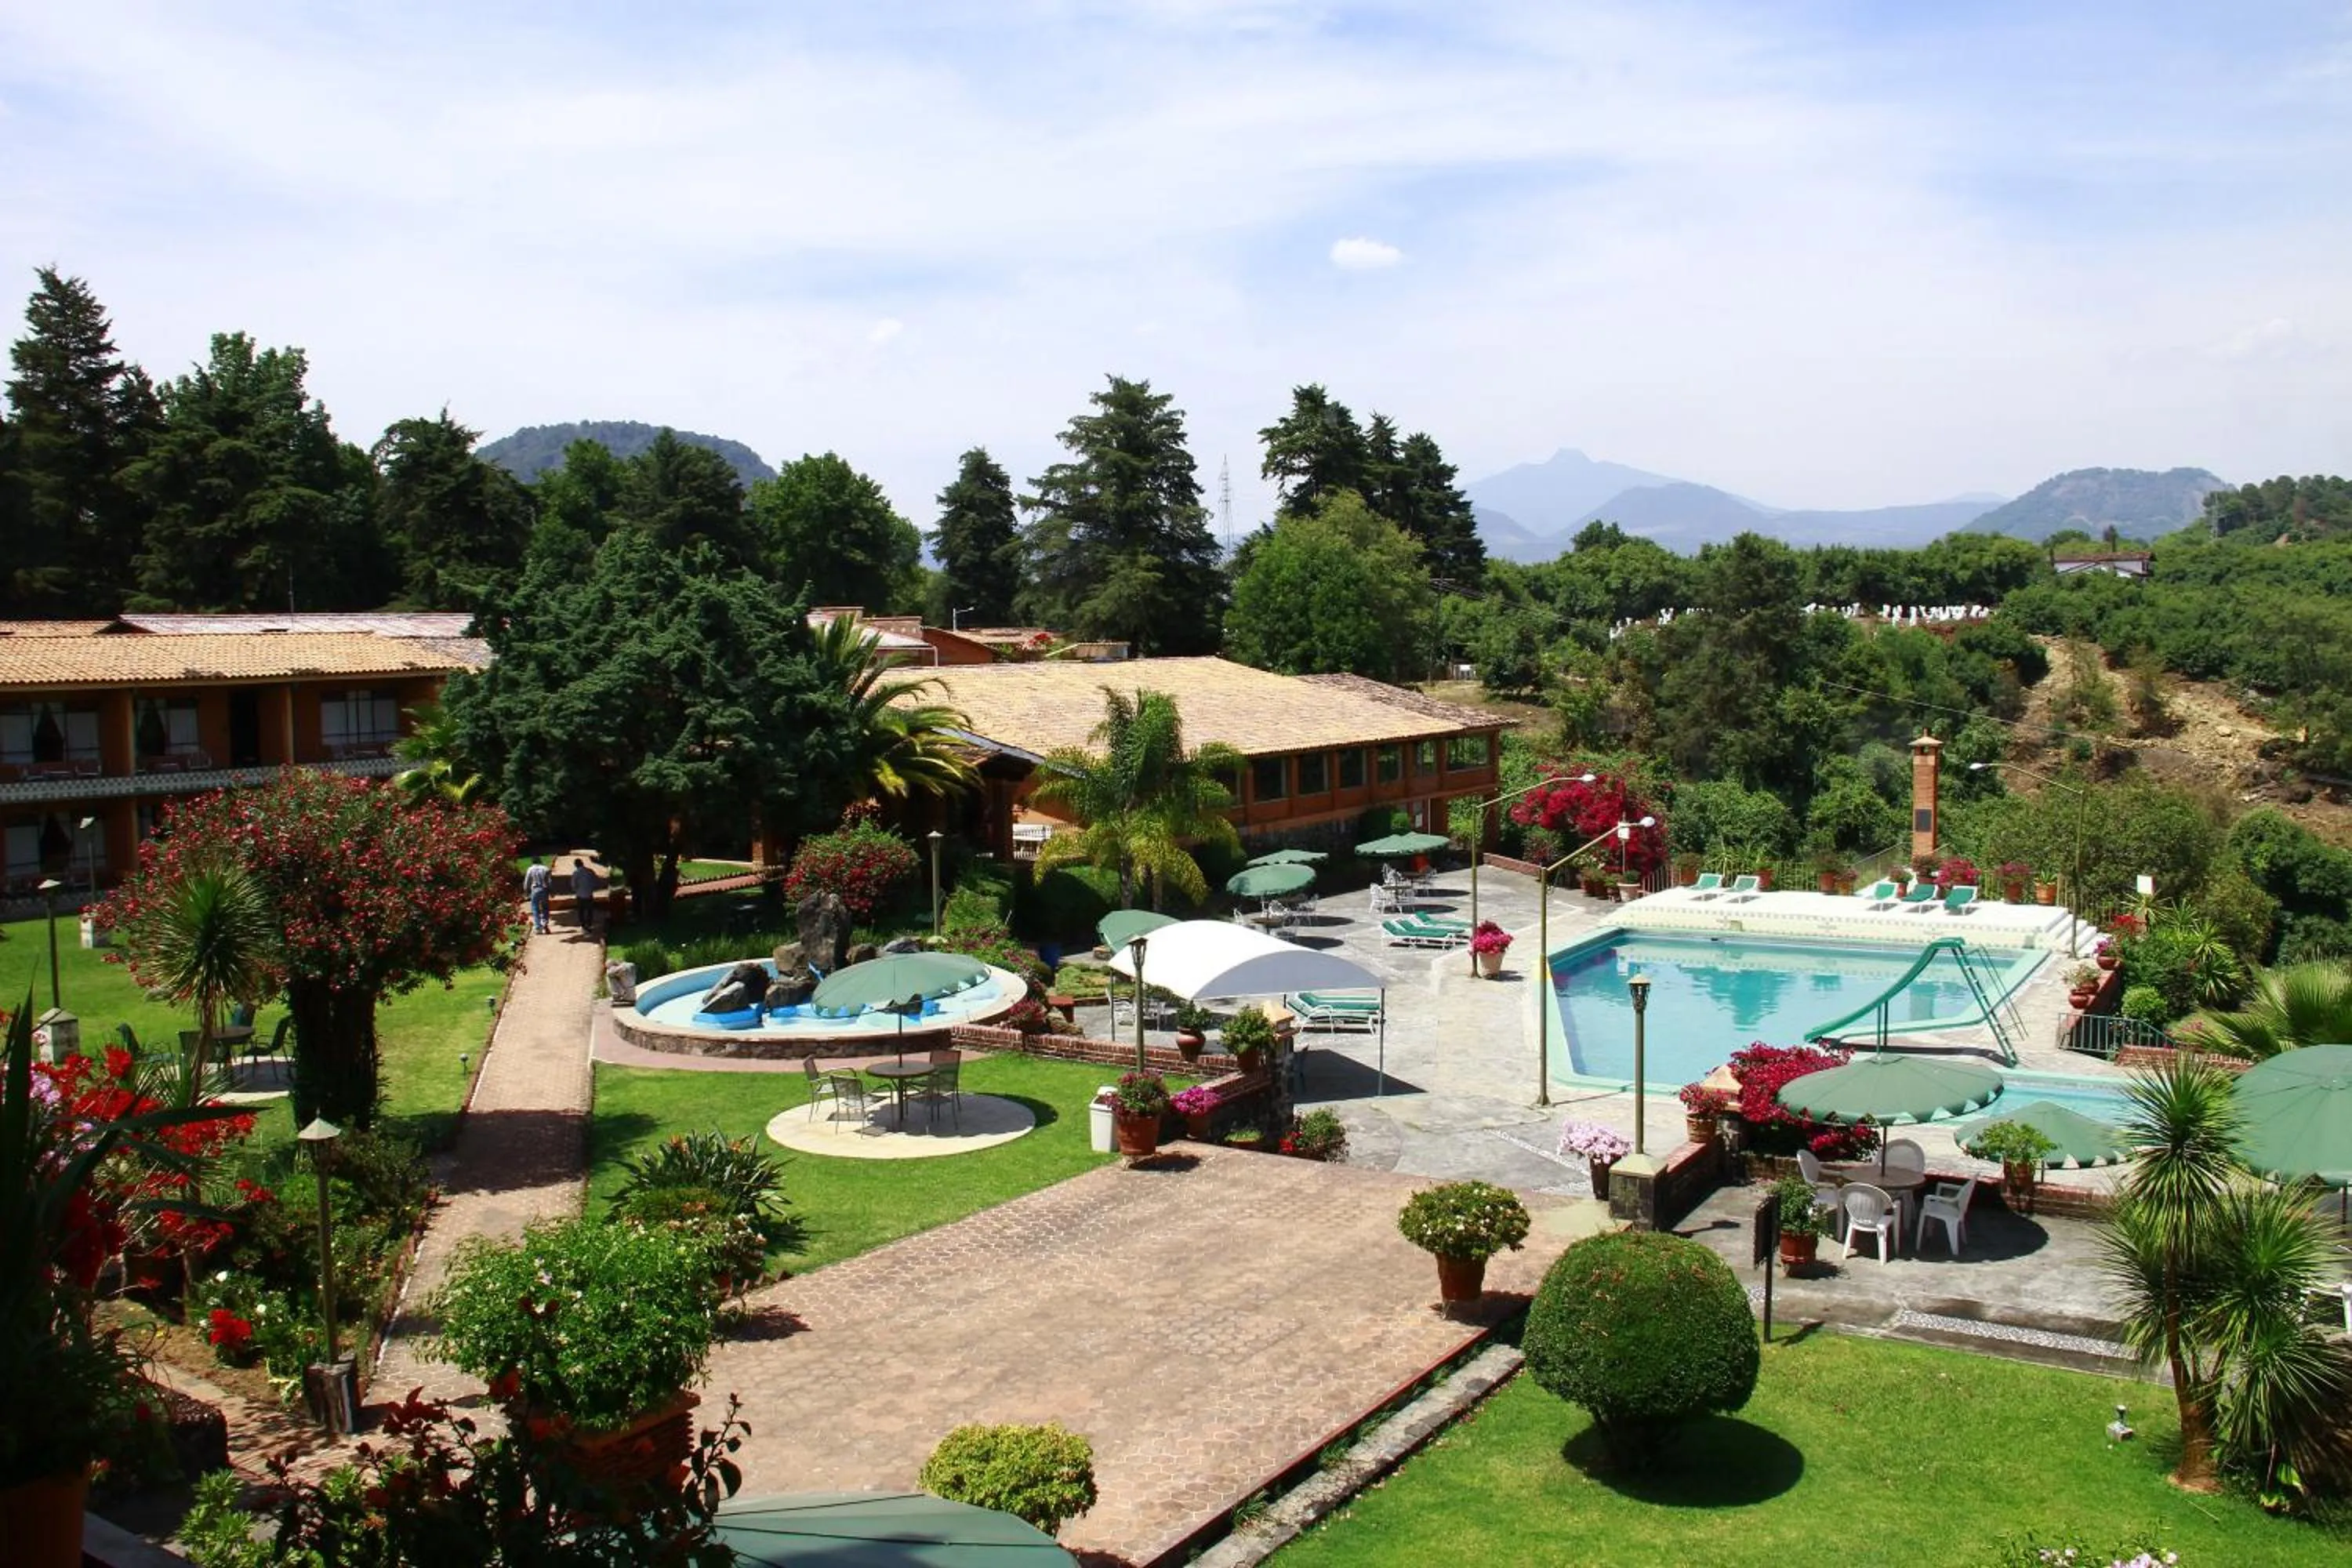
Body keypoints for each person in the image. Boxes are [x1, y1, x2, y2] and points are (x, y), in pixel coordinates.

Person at [523, 857, 551, 934]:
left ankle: (538, 927)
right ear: (540, 861)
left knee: (535, 908)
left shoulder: (530, 869)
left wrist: (526, 891)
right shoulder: (545, 869)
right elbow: (549, 881)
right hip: (544, 889)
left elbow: (527, 881)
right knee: (545, 907)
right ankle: (545, 923)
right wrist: (551, 891)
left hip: (535, 890)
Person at [571, 858, 599, 933]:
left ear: (576, 865)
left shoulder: (576, 873)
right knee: (589, 910)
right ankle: (589, 924)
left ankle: (583, 926)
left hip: (580, 895)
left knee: (581, 911)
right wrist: (592, 888)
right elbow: (595, 881)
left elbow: (573, 885)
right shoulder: (590, 871)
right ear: (582, 863)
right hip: (589, 894)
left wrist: (576, 890)